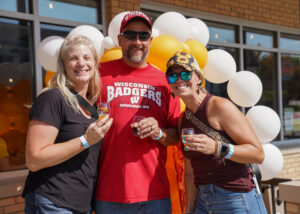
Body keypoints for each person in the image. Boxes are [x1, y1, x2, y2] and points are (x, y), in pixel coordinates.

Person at [94, 11, 181, 214]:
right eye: (131, 35)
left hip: (154, 194)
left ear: (151, 40)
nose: (137, 41)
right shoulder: (99, 73)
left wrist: (158, 132)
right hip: (108, 192)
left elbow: (176, 136)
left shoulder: (164, 82)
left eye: (143, 36)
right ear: (120, 39)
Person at [165, 51, 267, 214]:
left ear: (198, 78)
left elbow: (258, 154)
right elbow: (190, 172)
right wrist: (189, 209)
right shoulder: (183, 119)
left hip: (235, 197)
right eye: (172, 76)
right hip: (203, 200)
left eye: (185, 74)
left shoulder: (219, 107)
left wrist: (216, 147)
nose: (178, 80)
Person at [22, 35, 113, 214]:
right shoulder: (53, 98)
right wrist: (85, 140)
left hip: (80, 205)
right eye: (74, 58)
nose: (81, 63)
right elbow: (34, 159)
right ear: (64, 65)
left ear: (95, 64)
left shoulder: (93, 106)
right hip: (52, 202)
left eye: (87, 58)